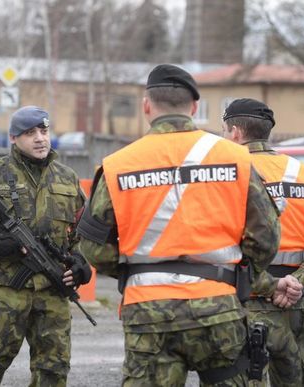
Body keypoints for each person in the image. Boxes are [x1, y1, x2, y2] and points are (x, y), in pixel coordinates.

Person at [75, 64, 281, 386]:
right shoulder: (236, 158)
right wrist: (238, 271)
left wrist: (134, 269)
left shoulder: (117, 165)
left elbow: (92, 246)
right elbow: (267, 237)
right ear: (195, 107)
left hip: (147, 310)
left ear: (146, 106)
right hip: (218, 304)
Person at [0, 105, 92, 387]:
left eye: (44, 131)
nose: (40, 138)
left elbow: (78, 230)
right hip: (4, 290)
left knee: (54, 369)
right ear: (13, 138)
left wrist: (79, 262)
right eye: (30, 133)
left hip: (52, 292)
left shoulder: (67, 178)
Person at [222, 98, 304, 386]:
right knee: (296, 377)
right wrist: (299, 283)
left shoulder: (225, 176)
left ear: (236, 132)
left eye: (225, 131)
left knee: (243, 377)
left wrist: (268, 284)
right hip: (295, 304)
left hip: (242, 301)